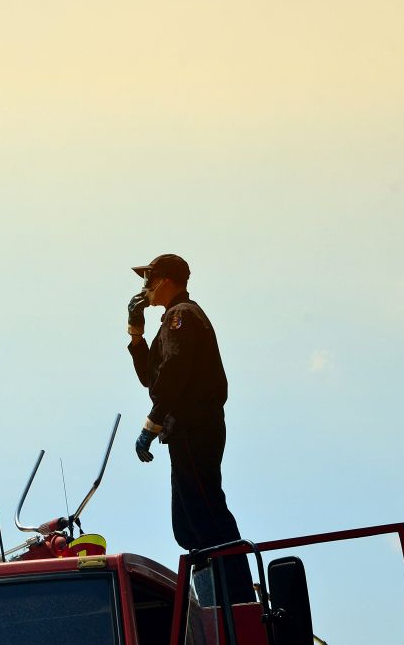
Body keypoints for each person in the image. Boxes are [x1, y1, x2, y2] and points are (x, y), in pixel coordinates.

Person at [126, 253, 256, 605]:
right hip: (182, 431)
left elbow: (173, 374)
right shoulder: (172, 319)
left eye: (149, 280)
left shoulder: (182, 316)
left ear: (167, 280)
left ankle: (238, 602)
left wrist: (151, 424)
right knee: (187, 525)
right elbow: (150, 376)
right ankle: (214, 602)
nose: (145, 289)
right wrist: (136, 334)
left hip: (194, 427)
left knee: (207, 513)